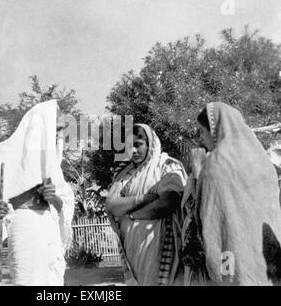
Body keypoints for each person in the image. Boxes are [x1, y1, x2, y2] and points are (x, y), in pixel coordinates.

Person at [0, 99, 75, 286]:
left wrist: (54, 198)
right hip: (24, 227)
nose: (57, 135)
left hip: (50, 229)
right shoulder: (5, 152)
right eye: (54, 129)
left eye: (58, 130)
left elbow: (63, 205)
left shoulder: (51, 163)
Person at [181, 102, 281, 285]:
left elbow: (208, 216)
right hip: (268, 261)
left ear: (215, 130)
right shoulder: (264, 162)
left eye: (202, 132)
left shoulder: (216, 164)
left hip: (235, 258)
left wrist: (196, 174)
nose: (201, 139)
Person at [106, 124, 187, 285]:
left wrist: (133, 215)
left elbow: (168, 201)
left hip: (159, 245)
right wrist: (145, 198)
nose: (133, 151)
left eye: (138, 145)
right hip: (133, 249)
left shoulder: (166, 166)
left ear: (151, 144)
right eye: (129, 146)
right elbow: (111, 205)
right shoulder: (125, 174)